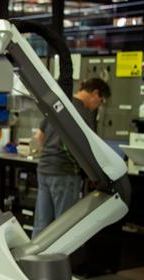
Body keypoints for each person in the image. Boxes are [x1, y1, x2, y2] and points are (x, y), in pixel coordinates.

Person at [31, 78, 111, 238]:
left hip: (45, 169)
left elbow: (39, 136)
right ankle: (60, 263)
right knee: (63, 228)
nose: (98, 106)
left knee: (41, 225)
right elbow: (86, 149)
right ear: (95, 93)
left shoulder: (59, 103)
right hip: (65, 172)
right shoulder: (82, 113)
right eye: (100, 101)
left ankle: (31, 262)